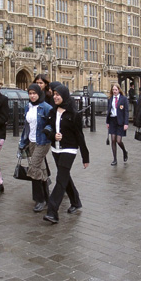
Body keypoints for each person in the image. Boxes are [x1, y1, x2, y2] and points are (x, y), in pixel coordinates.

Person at [42, 85, 89, 224]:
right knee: (65, 176)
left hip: (69, 149)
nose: (55, 97)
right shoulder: (52, 112)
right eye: (54, 94)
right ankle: (76, 201)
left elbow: (80, 136)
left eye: (58, 94)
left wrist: (85, 157)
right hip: (56, 149)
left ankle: (52, 212)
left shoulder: (74, 114)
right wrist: (52, 135)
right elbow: (46, 129)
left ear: (65, 96)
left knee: (60, 179)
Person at [18, 84, 53, 212]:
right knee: (41, 169)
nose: (32, 96)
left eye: (34, 93)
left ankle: (40, 200)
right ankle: (48, 198)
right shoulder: (28, 107)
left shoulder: (46, 107)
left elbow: (52, 123)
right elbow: (27, 127)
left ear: (39, 93)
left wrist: (48, 130)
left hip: (43, 141)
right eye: (30, 93)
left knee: (34, 167)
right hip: (31, 141)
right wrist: (23, 142)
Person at [106, 83, 129, 166]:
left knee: (119, 140)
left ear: (119, 90)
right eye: (113, 90)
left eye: (116, 90)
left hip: (120, 121)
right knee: (113, 140)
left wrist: (126, 123)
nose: (114, 91)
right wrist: (107, 122)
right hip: (112, 120)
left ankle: (124, 151)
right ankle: (115, 159)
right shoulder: (110, 99)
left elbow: (126, 112)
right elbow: (108, 111)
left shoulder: (124, 99)